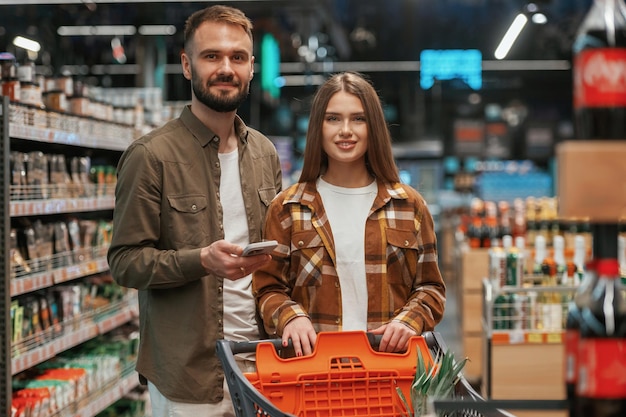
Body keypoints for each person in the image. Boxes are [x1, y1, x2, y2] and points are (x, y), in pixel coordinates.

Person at [107, 4, 282, 416]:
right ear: (187, 65)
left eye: (238, 57)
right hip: (188, 378)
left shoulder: (264, 153)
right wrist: (200, 260)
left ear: (252, 67)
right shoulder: (151, 156)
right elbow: (125, 262)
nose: (226, 68)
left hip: (261, 365)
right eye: (212, 56)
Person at [253, 71, 446, 357]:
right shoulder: (288, 208)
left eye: (358, 118)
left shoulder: (409, 206)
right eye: (333, 119)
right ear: (318, 127)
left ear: (374, 128)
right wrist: (290, 316)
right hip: (314, 372)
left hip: (389, 369)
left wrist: (409, 322)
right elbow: (267, 288)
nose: (346, 130)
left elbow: (430, 289)